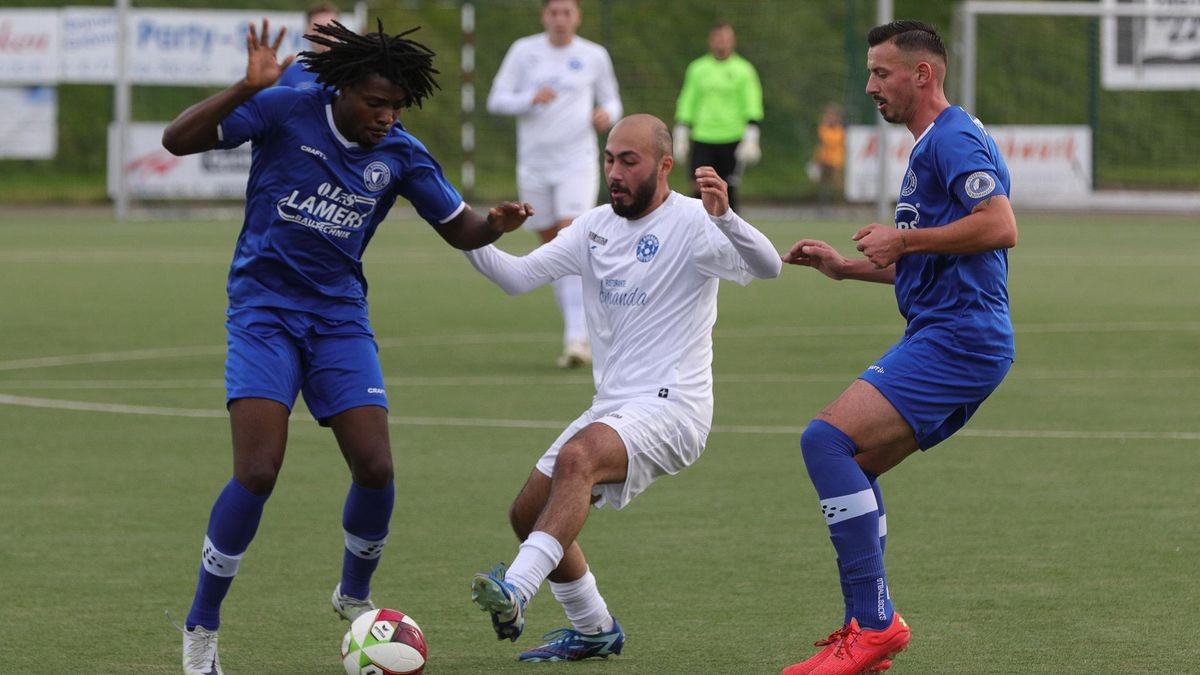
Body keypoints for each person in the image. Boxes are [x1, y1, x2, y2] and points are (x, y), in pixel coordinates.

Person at [161, 19, 532, 675]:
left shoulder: (403, 155)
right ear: (342, 91)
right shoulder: (285, 110)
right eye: (375, 103)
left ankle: (354, 591)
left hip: (338, 317)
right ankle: (202, 627)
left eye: (396, 107)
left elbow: (460, 229)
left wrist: (492, 225)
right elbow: (177, 138)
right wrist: (243, 88)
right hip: (264, 312)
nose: (386, 117)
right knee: (258, 470)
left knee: (376, 464)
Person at [464, 114, 781, 662]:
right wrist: (472, 231)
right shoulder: (593, 228)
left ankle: (516, 589)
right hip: (614, 407)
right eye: (609, 159)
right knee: (526, 513)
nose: (614, 172)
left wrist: (727, 216)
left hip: (675, 408)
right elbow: (515, 277)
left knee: (578, 457)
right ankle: (594, 627)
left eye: (628, 161)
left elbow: (769, 266)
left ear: (663, 165)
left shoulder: (695, 223)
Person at [779, 20, 1017, 675]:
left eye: (881, 73)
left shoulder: (954, 138)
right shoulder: (928, 147)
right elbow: (939, 258)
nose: (869, 86)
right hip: (949, 333)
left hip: (960, 337)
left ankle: (877, 626)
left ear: (922, 75)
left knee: (824, 441)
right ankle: (870, 624)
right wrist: (847, 267)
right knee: (852, 459)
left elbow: (999, 226)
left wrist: (904, 240)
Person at [486, 0, 623, 369]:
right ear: (544, 16)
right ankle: (581, 325)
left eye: (567, 12)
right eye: (554, 12)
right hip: (534, 166)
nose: (560, 19)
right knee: (554, 251)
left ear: (577, 16)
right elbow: (496, 100)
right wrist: (530, 99)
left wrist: (606, 114)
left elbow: (613, 100)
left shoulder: (594, 55)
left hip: (576, 163)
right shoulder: (524, 51)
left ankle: (577, 339)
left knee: (570, 238)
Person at [673, 21, 763, 213]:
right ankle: (697, 233)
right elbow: (688, 100)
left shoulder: (744, 70)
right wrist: (681, 132)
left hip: (732, 138)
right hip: (703, 137)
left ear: (733, 41)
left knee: (728, 189)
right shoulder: (697, 69)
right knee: (700, 188)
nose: (721, 42)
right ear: (710, 41)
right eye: (717, 38)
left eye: (725, 38)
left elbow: (752, 102)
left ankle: (731, 237)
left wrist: (752, 135)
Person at [275, 2, 340, 89]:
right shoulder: (290, 73)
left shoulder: (352, 72)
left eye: (330, 28)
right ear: (306, 31)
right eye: (317, 29)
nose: (324, 34)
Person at [810, 103, 845, 212]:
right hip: (824, 159)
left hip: (835, 160)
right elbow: (822, 141)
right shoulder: (823, 128)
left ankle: (836, 207)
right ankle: (823, 207)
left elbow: (834, 143)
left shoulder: (839, 130)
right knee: (823, 185)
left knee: (836, 185)